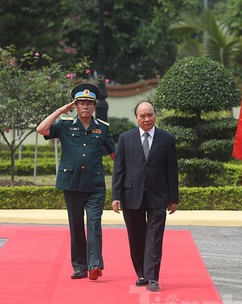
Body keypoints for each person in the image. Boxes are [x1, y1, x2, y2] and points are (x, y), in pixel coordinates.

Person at [36, 83, 116, 281]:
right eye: (81, 103)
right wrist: (60, 110)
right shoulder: (65, 125)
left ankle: (94, 265)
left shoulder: (102, 129)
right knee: (76, 225)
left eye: (89, 103)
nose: (85, 107)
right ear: (76, 105)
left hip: (95, 185)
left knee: (94, 223)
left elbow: (116, 156)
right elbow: (41, 129)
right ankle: (80, 266)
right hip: (71, 183)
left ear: (94, 106)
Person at [111, 101, 179, 292]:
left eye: (150, 115)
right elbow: (119, 169)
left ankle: (153, 277)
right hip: (131, 195)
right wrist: (116, 195)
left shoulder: (166, 138)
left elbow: (172, 170)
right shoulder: (125, 138)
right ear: (136, 118)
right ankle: (141, 273)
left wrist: (174, 197)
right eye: (143, 116)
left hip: (159, 195)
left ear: (155, 115)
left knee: (155, 238)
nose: (147, 119)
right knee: (136, 237)